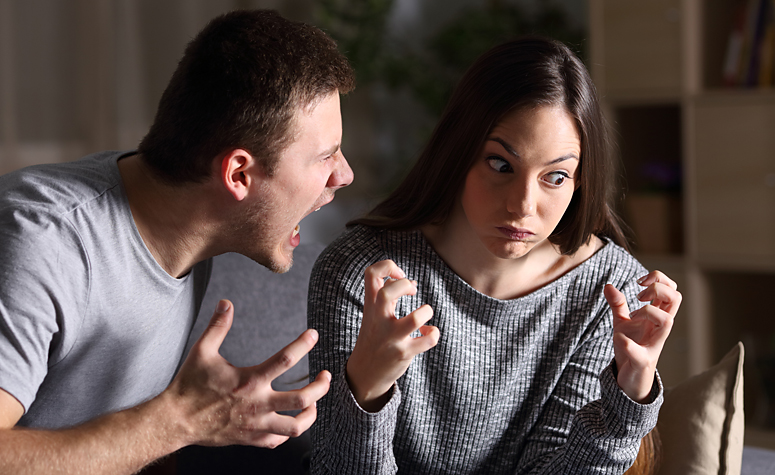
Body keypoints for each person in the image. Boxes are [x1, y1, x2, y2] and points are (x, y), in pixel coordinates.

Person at [0, 9, 354, 475]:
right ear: (239, 173)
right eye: (325, 155)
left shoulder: (189, 234)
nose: (345, 175)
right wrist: (179, 421)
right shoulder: (41, 241)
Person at [307, 36, 680, 474]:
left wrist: (628, 398)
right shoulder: (360, 275)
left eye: (555, 177)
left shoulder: (611, 293)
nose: (522, 205)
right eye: (501, 165)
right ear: (459, 152)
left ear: (580, 182)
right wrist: (365, 389)